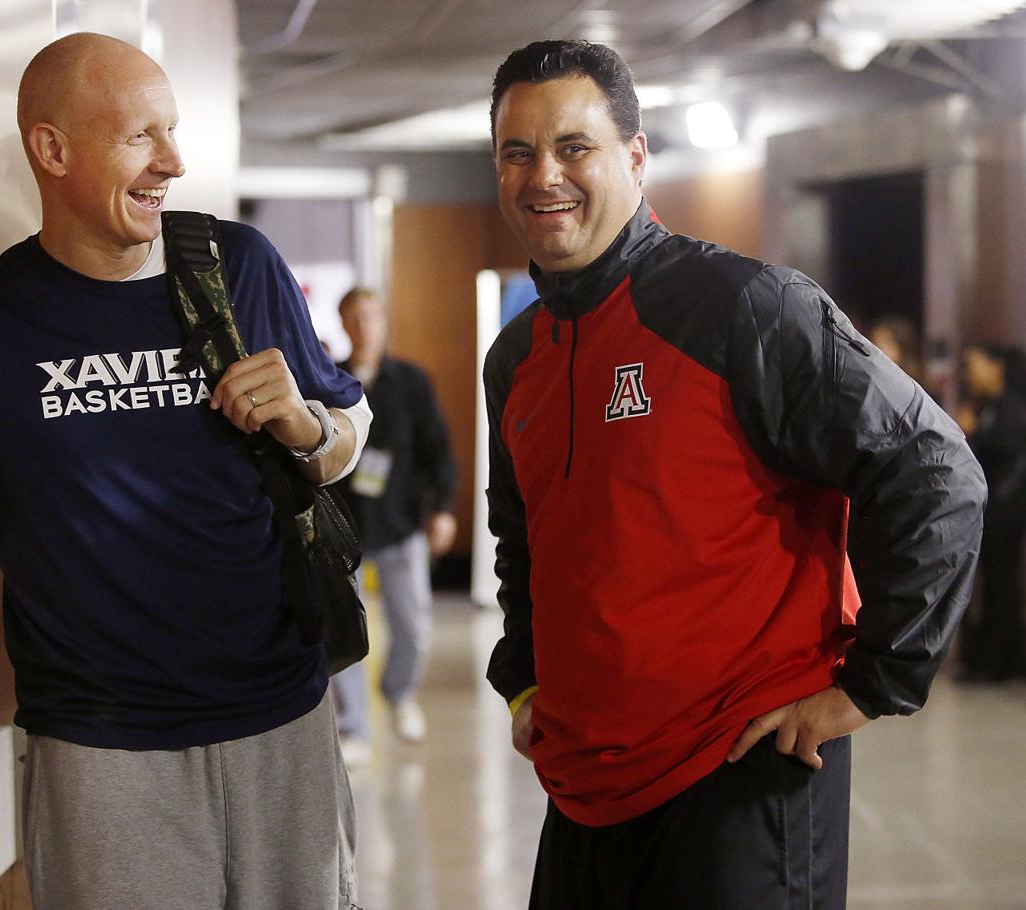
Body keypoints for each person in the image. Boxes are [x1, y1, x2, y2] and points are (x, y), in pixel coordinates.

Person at [0, 32, 370, 910]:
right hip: (100, 752)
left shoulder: (238, 267)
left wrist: (307, 425)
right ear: (52, 150)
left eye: (172, 131)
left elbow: (345, 431)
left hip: (283, 721)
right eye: (140, 136)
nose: (173, 161)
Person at [481, 39, 985, 909]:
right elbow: (523, 536)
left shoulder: (743, 307)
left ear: (635, 157)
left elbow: (933, 470)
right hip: (585, 787)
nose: (543, 176)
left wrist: (871, 686)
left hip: (741, 778)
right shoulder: (516, 356)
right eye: (517, 153)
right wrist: (524, 676)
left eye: (573, 147)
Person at [331, 287, 458, 764]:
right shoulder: (329, 380)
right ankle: (354, 725)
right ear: (344, 325)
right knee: (346, 629)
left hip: (400, 523)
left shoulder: (411, 382)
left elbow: (437, 450)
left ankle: (399, 693)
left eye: (371, 317)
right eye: (354, 318)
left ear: (384, 321)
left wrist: (443, 508)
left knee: (413, 625)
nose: (364, 327)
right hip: (345, 527)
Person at [955, 343, 1026, 681]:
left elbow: (1003, 455)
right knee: (990, 586)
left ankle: (999, 661)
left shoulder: (1010, 409)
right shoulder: (988, 407)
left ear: (996, 367)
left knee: (1001, 585)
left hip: (1005, 513)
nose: (968, 374)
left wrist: (971, 433)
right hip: (992, 513)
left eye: (974, 365)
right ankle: (985, 658)